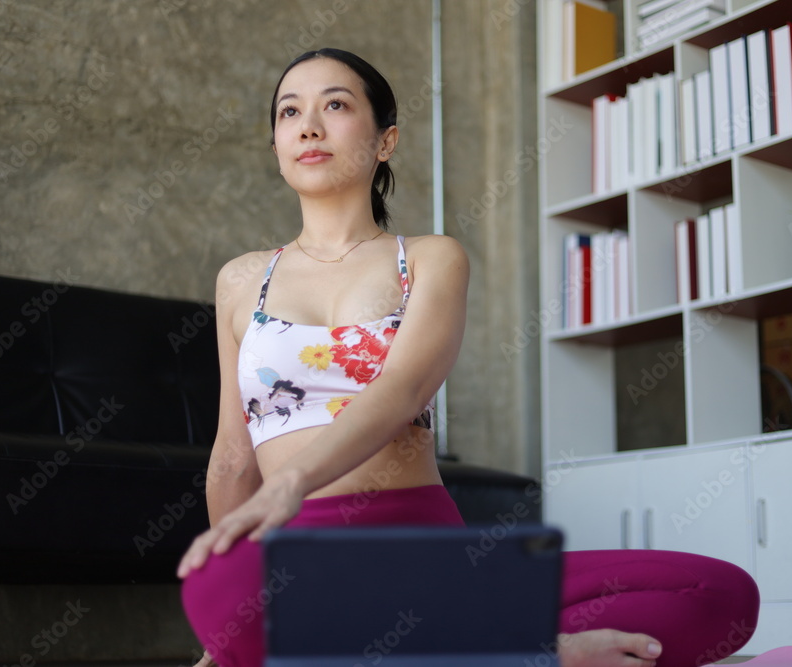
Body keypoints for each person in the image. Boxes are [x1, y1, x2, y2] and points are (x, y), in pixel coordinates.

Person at [177, 47, 760, 667]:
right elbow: (234, 452)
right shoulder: (242, 281)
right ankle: (517, 651)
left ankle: (460, 646)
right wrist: (226, 585)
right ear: (276, 144)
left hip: (426, 550)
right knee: (218, 592)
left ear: (385, 141)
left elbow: (401, 388)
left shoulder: (431, 258)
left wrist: (292, 480)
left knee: (718, 593)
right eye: (289, 112)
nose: (309, 126)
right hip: (303, 561)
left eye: (336, 105)